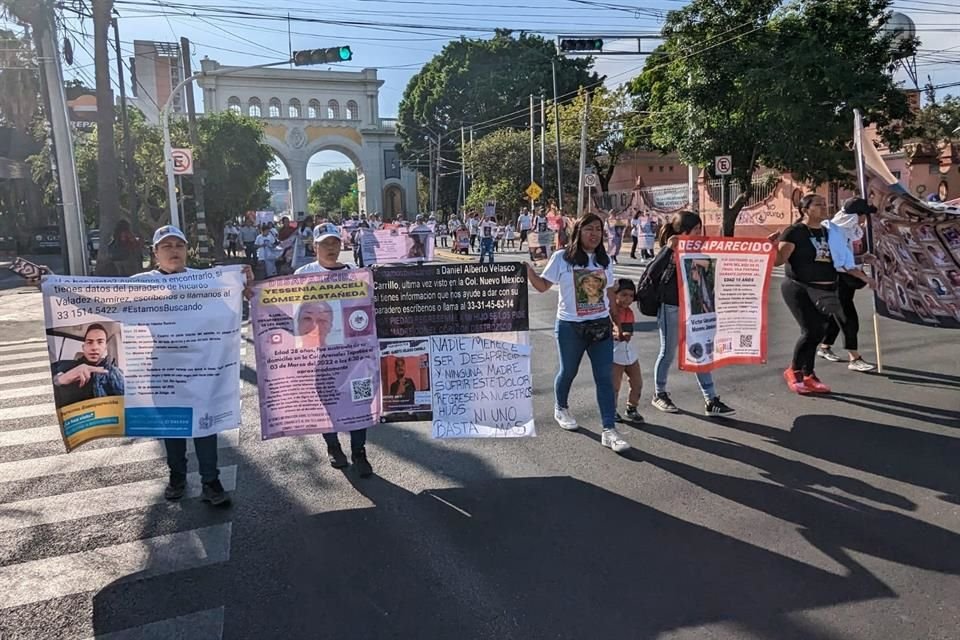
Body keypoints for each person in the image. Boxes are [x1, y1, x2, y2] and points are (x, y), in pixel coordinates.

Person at [135, 225, 254, 506]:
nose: (173, 251)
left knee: (205, 426)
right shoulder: (141, 283)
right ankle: (177, 476)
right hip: (165, 371)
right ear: (155, 254)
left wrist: (245, 283)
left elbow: (233, 306)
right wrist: (52, 283)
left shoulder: (205, 280)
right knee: (172, 429)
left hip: (203, 370)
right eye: (166, 246)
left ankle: (210, 481)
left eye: (178, 245)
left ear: (186, 250)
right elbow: (100, 297)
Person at [524, 213, 631, 454]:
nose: (594, 234)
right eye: (589, 229)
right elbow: (542, 286)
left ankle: (609, 430)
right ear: (578, 232)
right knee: (568, 371)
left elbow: (610, 296)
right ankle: (561, 407)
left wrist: (617, 323)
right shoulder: (562, 258)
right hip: (570, 326)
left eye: (598, 230)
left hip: (600, 326)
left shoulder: (605, 261)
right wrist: (528, 271)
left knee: (604, 377)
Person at [293, 222, 373, 478]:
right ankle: (333, 446)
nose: (331, 247)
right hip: (321, 355)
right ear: (314, 246)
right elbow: (281, 305)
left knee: (360, 402)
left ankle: (359, 452)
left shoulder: (356, 274)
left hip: (355, 356)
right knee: (328, 403)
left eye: (335, 242)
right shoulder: (302, 274)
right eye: (325, 243)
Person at [646, 211, 736, 416]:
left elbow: (730, 258)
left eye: (700, 229)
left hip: (697, 310)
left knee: (700, 350)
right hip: (672, 308)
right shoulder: (671, 252)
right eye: (696, 229)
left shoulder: (702, 252)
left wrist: (765, 248)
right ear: (684, 232)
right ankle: (659, 393)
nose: (700, 233)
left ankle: (711, 399)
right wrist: (669, 249)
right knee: (668, 352)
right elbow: (652, 273)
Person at [772, 193, 838, 394]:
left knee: (819, 331)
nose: (824, 207)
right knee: (811, 330)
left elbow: (839, 256)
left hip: (824, 288)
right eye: (818, 204)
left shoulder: (828, 232)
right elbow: (779, 260)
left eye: (824, 203)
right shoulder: (794, 232)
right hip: (798, 287)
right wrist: (772, 246)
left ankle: (809, 374)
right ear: (805, 209)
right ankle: (794, 371)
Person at [817, 197, 877, 372]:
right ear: (855, 216)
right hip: (836, 279)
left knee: (837, 316)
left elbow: (847, 256)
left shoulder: (848, 230)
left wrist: (862, 258)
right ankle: (854, 358)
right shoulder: (836, 231)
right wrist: (867, 279)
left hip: (843, 278)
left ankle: (825, 346)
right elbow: (842, 263)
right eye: (864, 215)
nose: (865, 219)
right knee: (848, 318)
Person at [51, 323, 125, 408]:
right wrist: (62, 379)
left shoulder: (113, 373)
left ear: (105, 347)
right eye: (89, 342)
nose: (94, 347)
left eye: (100, 342)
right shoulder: (63, 365)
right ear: (83, 347)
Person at [611, 279, 643, 423]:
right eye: (623, 295)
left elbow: (626, 334)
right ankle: (611, 410)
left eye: (631, 296)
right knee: (614, 385)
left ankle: (632, 407)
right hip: (614, 354)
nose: (628, 299)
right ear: (615, 295)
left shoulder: (629, 312)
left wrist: (623, 334)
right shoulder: (608, 311)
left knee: (637, 383)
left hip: (630, 353)